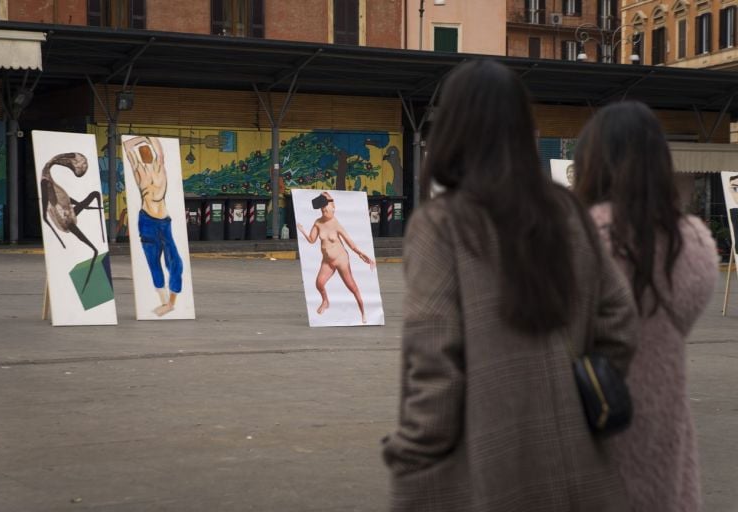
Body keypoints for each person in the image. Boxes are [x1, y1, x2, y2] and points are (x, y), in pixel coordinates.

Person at [381, 59, 637, 511]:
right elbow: (619, 318)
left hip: (488, 468)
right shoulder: (568, 211)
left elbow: (434, 362)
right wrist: (583, 385)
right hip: (579, 465)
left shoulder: (442, 225)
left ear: (452, 129)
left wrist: (410, 453)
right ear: (524, 130)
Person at [573, 101, 719, 512]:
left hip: (591, 414)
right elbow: (688, 310)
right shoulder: (692, 239)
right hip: (664, 422)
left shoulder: (583, 235)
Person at [123, 136, 184, 317]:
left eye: (147, 149)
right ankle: (165, 302)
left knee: (175, 262)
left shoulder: (159, 167)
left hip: (164, 221)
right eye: (143, 150)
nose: (145, 151)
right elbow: (127, 146)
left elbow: (160, 150)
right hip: (147, 221)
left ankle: (171, 302)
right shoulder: (138, 170)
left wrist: (148, 139)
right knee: (153, 262)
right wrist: (142, 139)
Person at [297, 191, 375, 324]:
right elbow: (311, 240)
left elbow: (349, 242)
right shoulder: (318, 222)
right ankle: (325, 301)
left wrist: (361, 254)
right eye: (322, 209)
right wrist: (302, 230)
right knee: (319, 283)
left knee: (352, 287)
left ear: (333, 208)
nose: (323, 210)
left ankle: (363, 313)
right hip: (327, 261)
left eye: (326, 208)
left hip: (341, 260)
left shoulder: (336, 224)